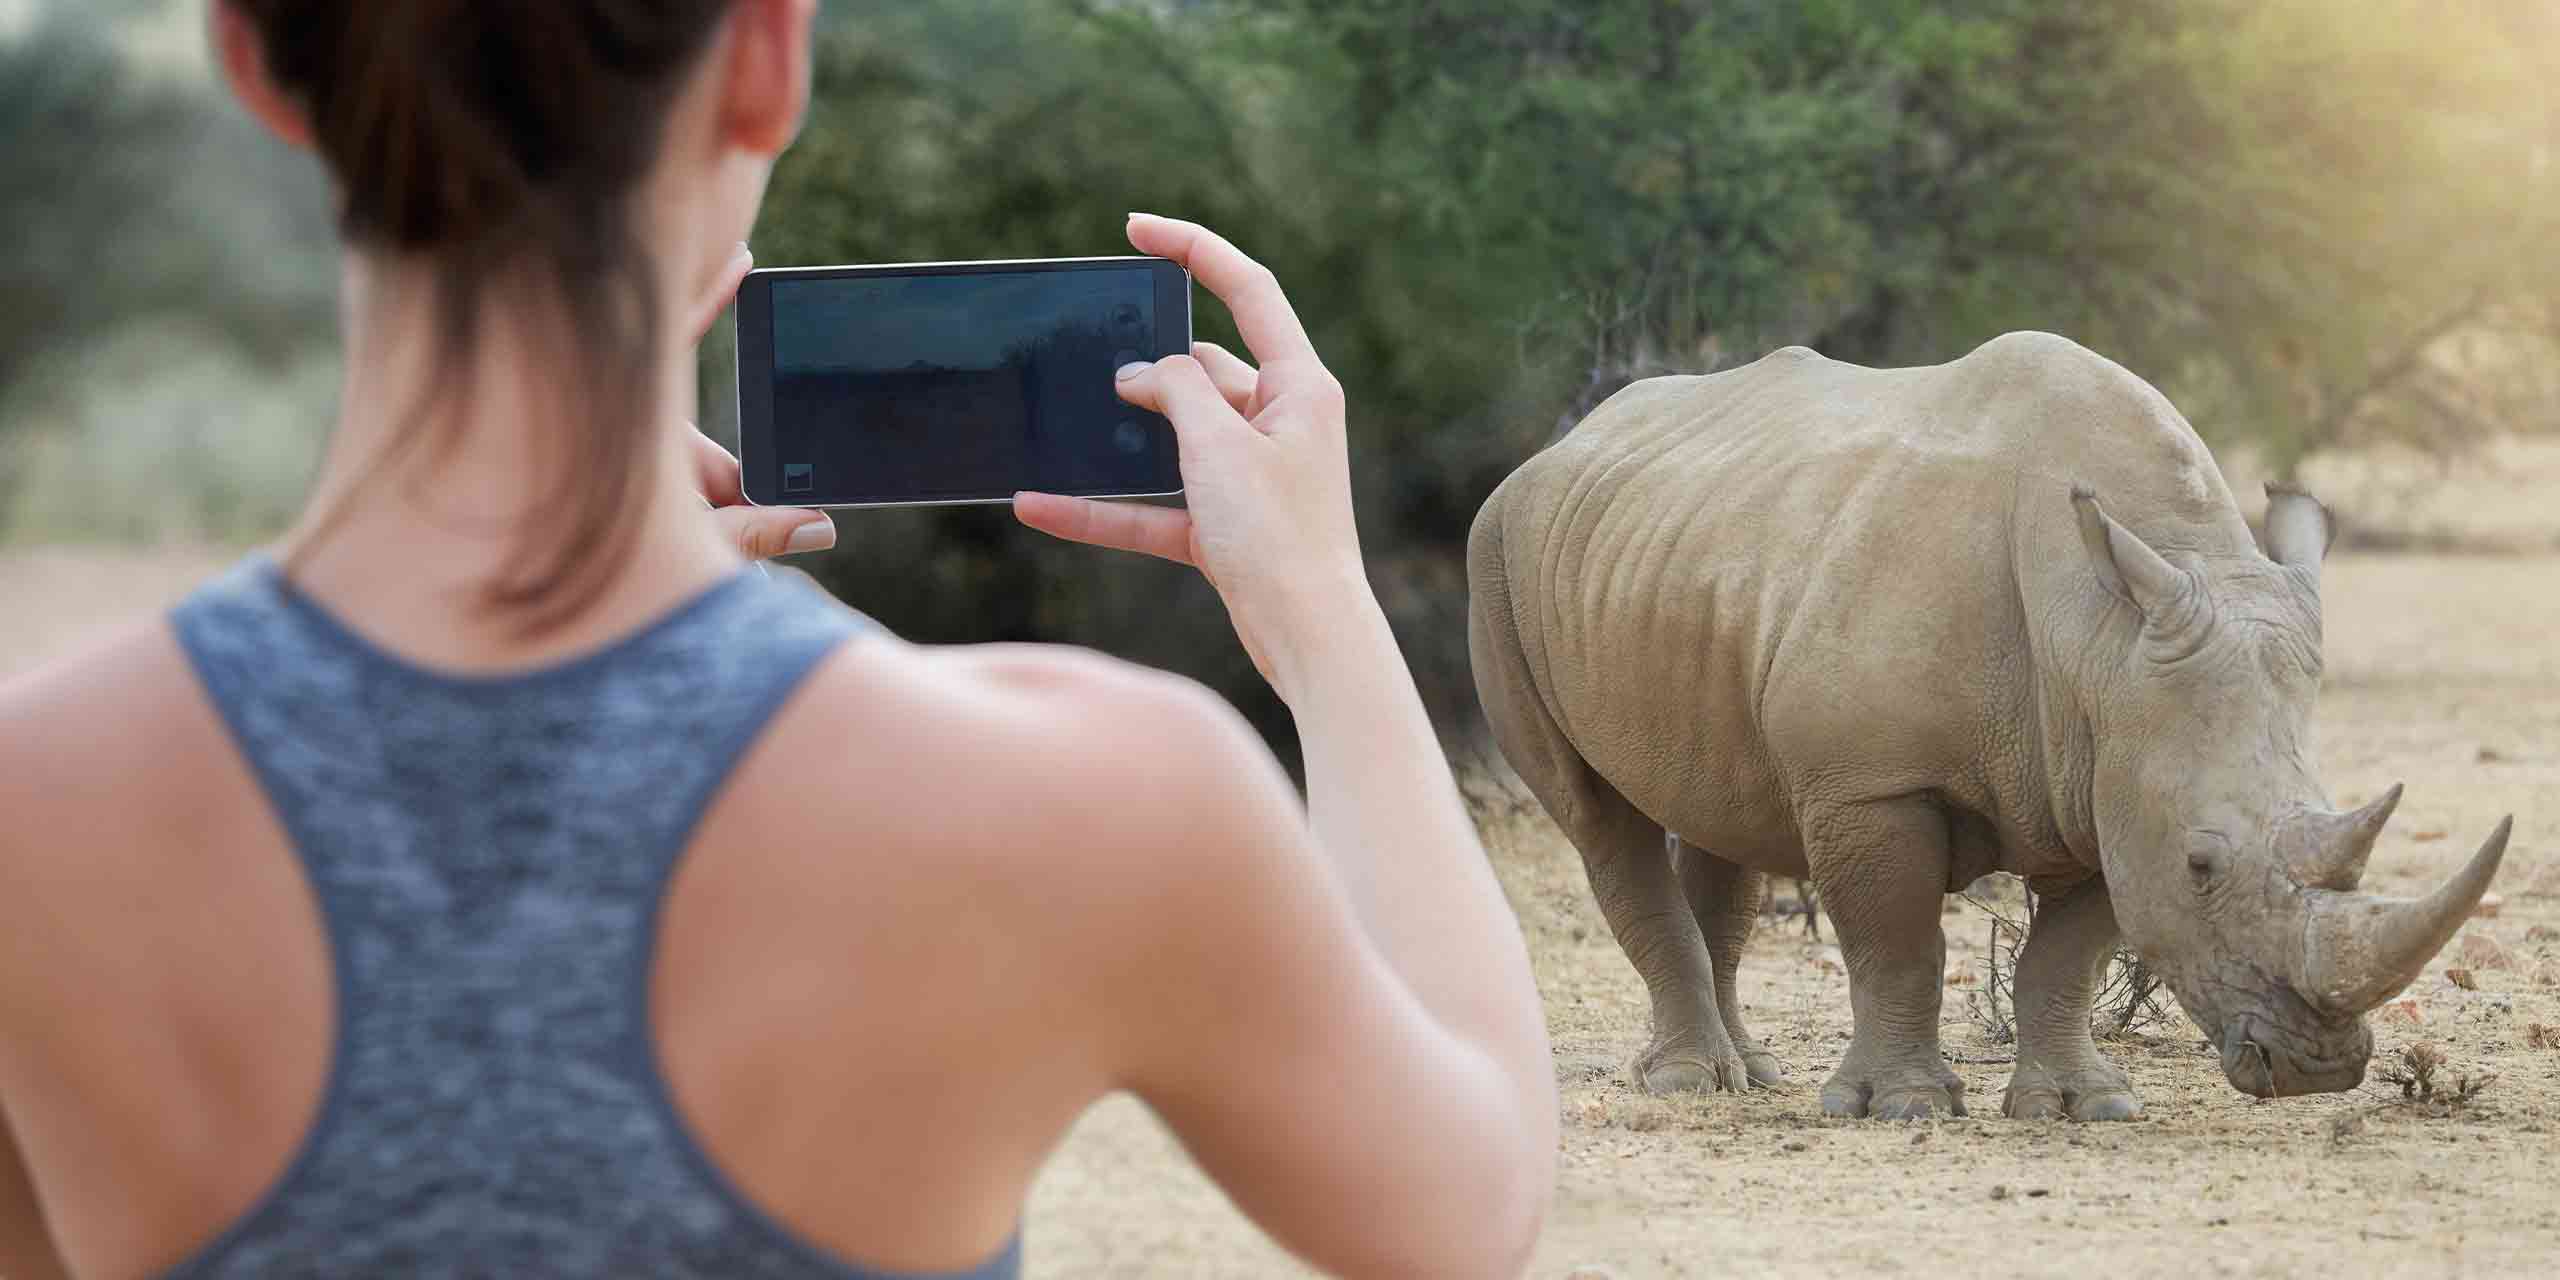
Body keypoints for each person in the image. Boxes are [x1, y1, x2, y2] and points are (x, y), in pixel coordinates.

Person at [0, 2, 1555, 1277]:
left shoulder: (36, 807)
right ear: (765, 60)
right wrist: (1324, 615)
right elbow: (1467, 1213)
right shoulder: (1092, 797)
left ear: (254, 59)